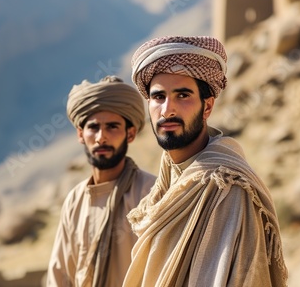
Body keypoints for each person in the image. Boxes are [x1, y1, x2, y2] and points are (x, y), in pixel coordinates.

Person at [123, 36, 288, 287]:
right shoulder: (168, 184)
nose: (167, 110)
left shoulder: (226, 187)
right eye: (158, 97)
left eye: (182, 95)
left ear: (207, 106)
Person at [46, 75, 156, 287]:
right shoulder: (75, 201)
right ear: (80, 134)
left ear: (130, 134)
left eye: (112, 127)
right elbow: (60, 276)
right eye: (93, 128)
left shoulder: (151, 193)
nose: (101, 138)